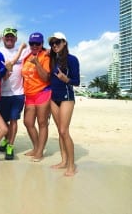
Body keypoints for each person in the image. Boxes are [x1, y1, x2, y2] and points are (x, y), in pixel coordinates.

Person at [48, 32, 80, 176]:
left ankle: (71, 166)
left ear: (64, 42)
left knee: (63, 131)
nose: (55, 45)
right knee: (60, 131)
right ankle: (64, 161)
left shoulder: (72, 59)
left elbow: (77, 81)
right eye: (52, 43)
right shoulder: (53, 59)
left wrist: (65, 79)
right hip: (53, 98)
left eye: (57, 42)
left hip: (67, 97)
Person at [0, 27, 28, 160]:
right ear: (3, 38)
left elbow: (37, 50)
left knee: (14, 119)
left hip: (18, 93)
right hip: (2, 93)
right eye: (7, 36)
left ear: (15, 38)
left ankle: (10, 145)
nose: (9, 39)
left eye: (12, 37)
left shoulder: (24, 51)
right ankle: (7, 138)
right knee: (3, 122)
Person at [21, 32, 51, 161]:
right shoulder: (26, 56)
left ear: (42, 44)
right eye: (32, 43)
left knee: (42, 123)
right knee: (28, 122)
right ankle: (36, 147)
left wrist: (37, 63)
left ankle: (40, 152)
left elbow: (46, 77)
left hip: (43, 92)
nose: (34, 46)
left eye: (37, 43)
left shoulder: (46, 56)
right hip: (29, 95)